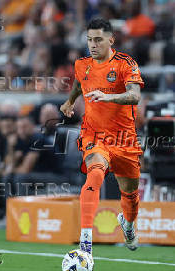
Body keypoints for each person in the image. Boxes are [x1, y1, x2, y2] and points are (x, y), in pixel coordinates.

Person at [60, 19, 144, 254]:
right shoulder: (82, 64)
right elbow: (79, 83)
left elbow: (135, 96)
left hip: (125, 139)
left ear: (110, 40)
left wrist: (109, 97)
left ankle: (127, 224)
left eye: (98, 39)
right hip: (94, 135)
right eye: (89, 39)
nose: (93, 44)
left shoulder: (126, 63)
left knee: (130, 195)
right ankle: (86, 240)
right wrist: (70, 101)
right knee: (95, 173)